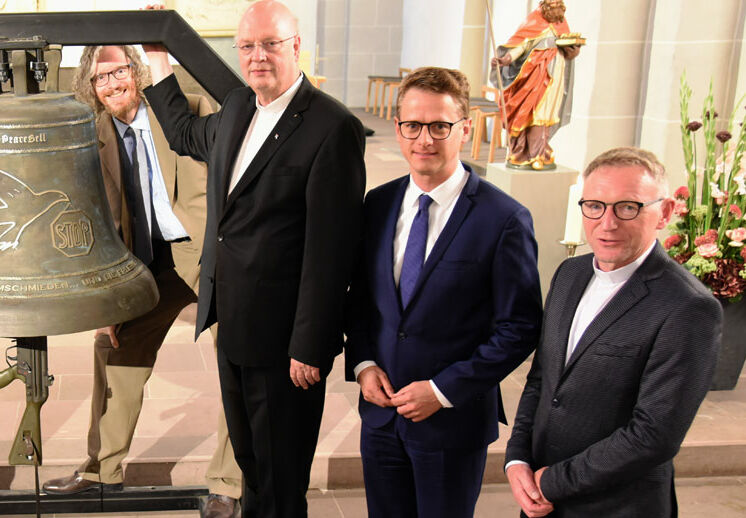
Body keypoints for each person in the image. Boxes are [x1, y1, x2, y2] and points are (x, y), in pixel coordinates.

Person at [142, 1, 367, 514]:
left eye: (270, 44)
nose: (257, 56)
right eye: (247, 46)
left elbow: (331, 252)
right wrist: (158, 57)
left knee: (282, 478)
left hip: (286, 342)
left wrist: (310, 344)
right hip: (234, 325)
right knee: (250, 465)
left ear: (295, 46)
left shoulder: (331, 127)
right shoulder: (242, 107)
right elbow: (183, 134)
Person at [38, 45, 242, 517]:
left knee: (237, 359)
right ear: (90, 87)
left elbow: (233, 175)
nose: (110, 84)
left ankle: (228, 483)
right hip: (144, 260)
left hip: (206, 251)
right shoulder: (94, 135)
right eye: (99, 78)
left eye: (118, 71)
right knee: (113, 349)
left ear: (138, 70)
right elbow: (92, 221)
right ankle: (99, 471)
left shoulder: (188, 110)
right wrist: (104, 304)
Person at [344, 67, 542, 518]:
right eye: (413, 125)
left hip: (452, 423)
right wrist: (363, 363)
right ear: (398, 129)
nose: (425, 139)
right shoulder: (377, 205)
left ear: (465, 129)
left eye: (440, 126)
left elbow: (520, 327)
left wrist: (442, 389)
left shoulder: (504, 219)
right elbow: (359, 300)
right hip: (381, 416)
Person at [505, 147, 721, 518]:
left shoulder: (689, 307)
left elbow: (653, 435)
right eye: (595, 206)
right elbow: (541, 380)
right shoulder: (569, 274)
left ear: (665, 213)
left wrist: (552, 482)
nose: (607, 223)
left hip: (619, 506)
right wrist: (517, 458)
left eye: (628, 207)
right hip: (540, 496)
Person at [492, 0, 583, 170]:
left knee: (546, 115)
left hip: (554, 77)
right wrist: (506, 59)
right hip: (533, 76)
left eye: (558, 4)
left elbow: (570, 51)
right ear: (545, 5)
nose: (556, 8)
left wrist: (573, 50)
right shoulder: (534, 20)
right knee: (530, 113)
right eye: (553, 4)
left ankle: (539, 154)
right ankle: (525, 153)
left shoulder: (561, 23)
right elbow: (521, 46)